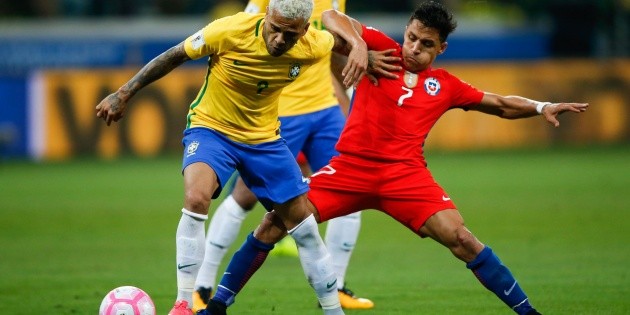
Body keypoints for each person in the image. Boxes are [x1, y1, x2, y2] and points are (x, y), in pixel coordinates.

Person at [199, 1, 589, 314]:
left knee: (463, 239)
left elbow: (501, 104)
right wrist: (358, 46)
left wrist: (541, 107)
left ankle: (528, 311)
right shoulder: (380, 50)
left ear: (442, 49)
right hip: (347, 171)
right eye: (412, 37)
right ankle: (217, 305)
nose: (414, 48)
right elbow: (332, 16)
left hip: (405, 178)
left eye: (426, 44)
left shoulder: (446, 86)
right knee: (273, 223)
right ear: (405, 31)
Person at [94, 0, 370, 314]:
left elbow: (346, 35)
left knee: (304, 227)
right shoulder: (229, 29)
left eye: (289, 35)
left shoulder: (314, 44)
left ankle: (334, 310)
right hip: (212, 129)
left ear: (305, 30)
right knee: (197, 199)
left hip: (264, 139)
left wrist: (360, 47)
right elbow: (175, 55)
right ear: (267, 16)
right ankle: (184, 302)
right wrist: (124, 93)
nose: (279, 40)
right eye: (275, 29)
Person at [192, 0, 375, 311]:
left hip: (325, 109)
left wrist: (344, 96)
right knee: (244, 196)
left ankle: (337, 285)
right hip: (282, 111)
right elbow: (244, 39)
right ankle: (202, 285)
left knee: (351, 187)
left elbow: (328, 51)